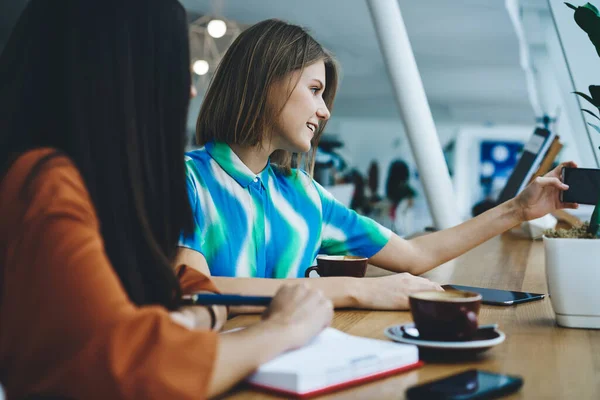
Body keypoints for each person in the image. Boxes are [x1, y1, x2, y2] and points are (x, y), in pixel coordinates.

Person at [0, 2, 333, 399]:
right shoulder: (43, 184)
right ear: (121, 73)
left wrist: (195, 309)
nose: (189, 89)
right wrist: (284, 328)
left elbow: (188, 288)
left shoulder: (87, 181)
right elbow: (137, 368)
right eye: (173, 66)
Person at [176, 18, 578, 311]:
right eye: (315, 90)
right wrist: (357, 290)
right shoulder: (187, 179)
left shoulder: (303, 194)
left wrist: (518, 210)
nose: (324, 111)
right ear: (264, 81)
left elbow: (413, 256)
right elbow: (195, 289)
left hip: (292, 357)